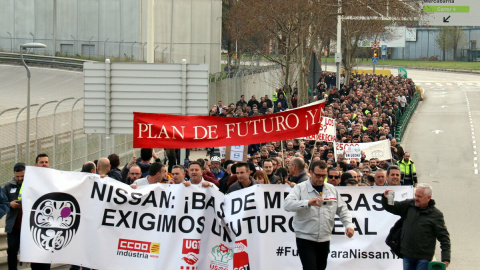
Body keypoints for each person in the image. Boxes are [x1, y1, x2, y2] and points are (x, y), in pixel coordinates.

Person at [284, 161, 354, 270]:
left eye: (323, 176)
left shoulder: (331, 189)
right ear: (311, 172)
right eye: (317, 175)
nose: (320, 179)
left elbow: (342, 209)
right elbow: (287, 205)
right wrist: (306, 202)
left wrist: (348, 225)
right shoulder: (300, 188)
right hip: (305, 237)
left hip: (324, 238)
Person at [382, 184, 450, 269]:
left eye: (419, 196)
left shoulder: (436, 215)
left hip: (424, 257)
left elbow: (444, 237)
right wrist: (385, 198)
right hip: (407, 254)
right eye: (415, 195)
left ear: (428, 198)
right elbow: (391, 207)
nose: (416, 198)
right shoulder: (408, 205)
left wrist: (446, 258)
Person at [4, 163, 25, 270]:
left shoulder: (32, 185)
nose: (20, 178)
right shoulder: (8, 186)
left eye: (22, 176)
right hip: (13, 226)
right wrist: (10, 204)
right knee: (12, 250)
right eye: (17, 176)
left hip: (28, 225)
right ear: (14, 174)